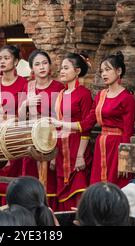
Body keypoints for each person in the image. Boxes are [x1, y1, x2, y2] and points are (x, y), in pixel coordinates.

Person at [53, 51, 135, 188]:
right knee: (97, 187)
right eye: (102, 71)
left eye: (108, 70)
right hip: (100, 145)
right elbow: (87, 124)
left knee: (116, 186)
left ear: (119, 71)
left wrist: (124, 160)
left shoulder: (127, 99)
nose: (104, 74)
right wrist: (61, 123)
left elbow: (128, 133)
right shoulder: (100, 96)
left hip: (117, 146)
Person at [17, 50, 63, 209]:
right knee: (30, 179)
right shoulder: (27, 86)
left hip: (51, 138)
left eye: (44, 63)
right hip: (30, 139)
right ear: (32, 69)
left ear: (50, 66)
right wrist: (26, 104)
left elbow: (62, 118)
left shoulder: (59, 87)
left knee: (49, 183)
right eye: (37, 64)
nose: (41, 67)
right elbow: (21, 119)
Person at [0, 45, 28, 206]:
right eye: (0, 58)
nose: (2, 61)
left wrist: (11, 123)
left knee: (16, 175)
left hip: (16, 136)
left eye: (6, 58)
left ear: (16, 61)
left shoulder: (24, 83)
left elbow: (26, 112)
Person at [53, 52, 93, 211]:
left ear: (77, 71)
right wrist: (54, 155)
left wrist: (80, 155)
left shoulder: (84, 93)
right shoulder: (61, 94)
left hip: (77, 147)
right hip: (62, 150)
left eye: (66, 68)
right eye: (61, 68)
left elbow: (86, 127)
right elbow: (57, 126)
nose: (62, 71)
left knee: (78, 192)